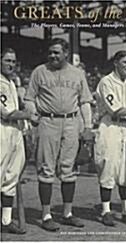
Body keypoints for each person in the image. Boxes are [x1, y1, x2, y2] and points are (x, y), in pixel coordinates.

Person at [24, 38, 93, 232]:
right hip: (48, 121)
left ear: (66, 53)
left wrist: (87, 126)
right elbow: (29, 98)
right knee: (46, 168)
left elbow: (85, 102)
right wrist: (33, 115)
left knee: (68, 169)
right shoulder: (40, 71)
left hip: (71, 121)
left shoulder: (77, 73)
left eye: (57, 52)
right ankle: (46, 215)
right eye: (50, 52)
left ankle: (67, 213)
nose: (53, 56)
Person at [94, 50, 126, 226]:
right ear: (116, 62)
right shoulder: (106, 82)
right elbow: (115, 109)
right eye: (125, 62)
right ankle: (106, 211)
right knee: (108, 166)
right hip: (110, 126)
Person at [0, 48, 38, 234]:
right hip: (1, 129)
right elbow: (6, 113)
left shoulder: (12, 82)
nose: (11, 64)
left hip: (14, 131)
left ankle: (6, 221)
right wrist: (29, 115)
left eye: (13, 61)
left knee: (11, 176)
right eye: (7, 60)